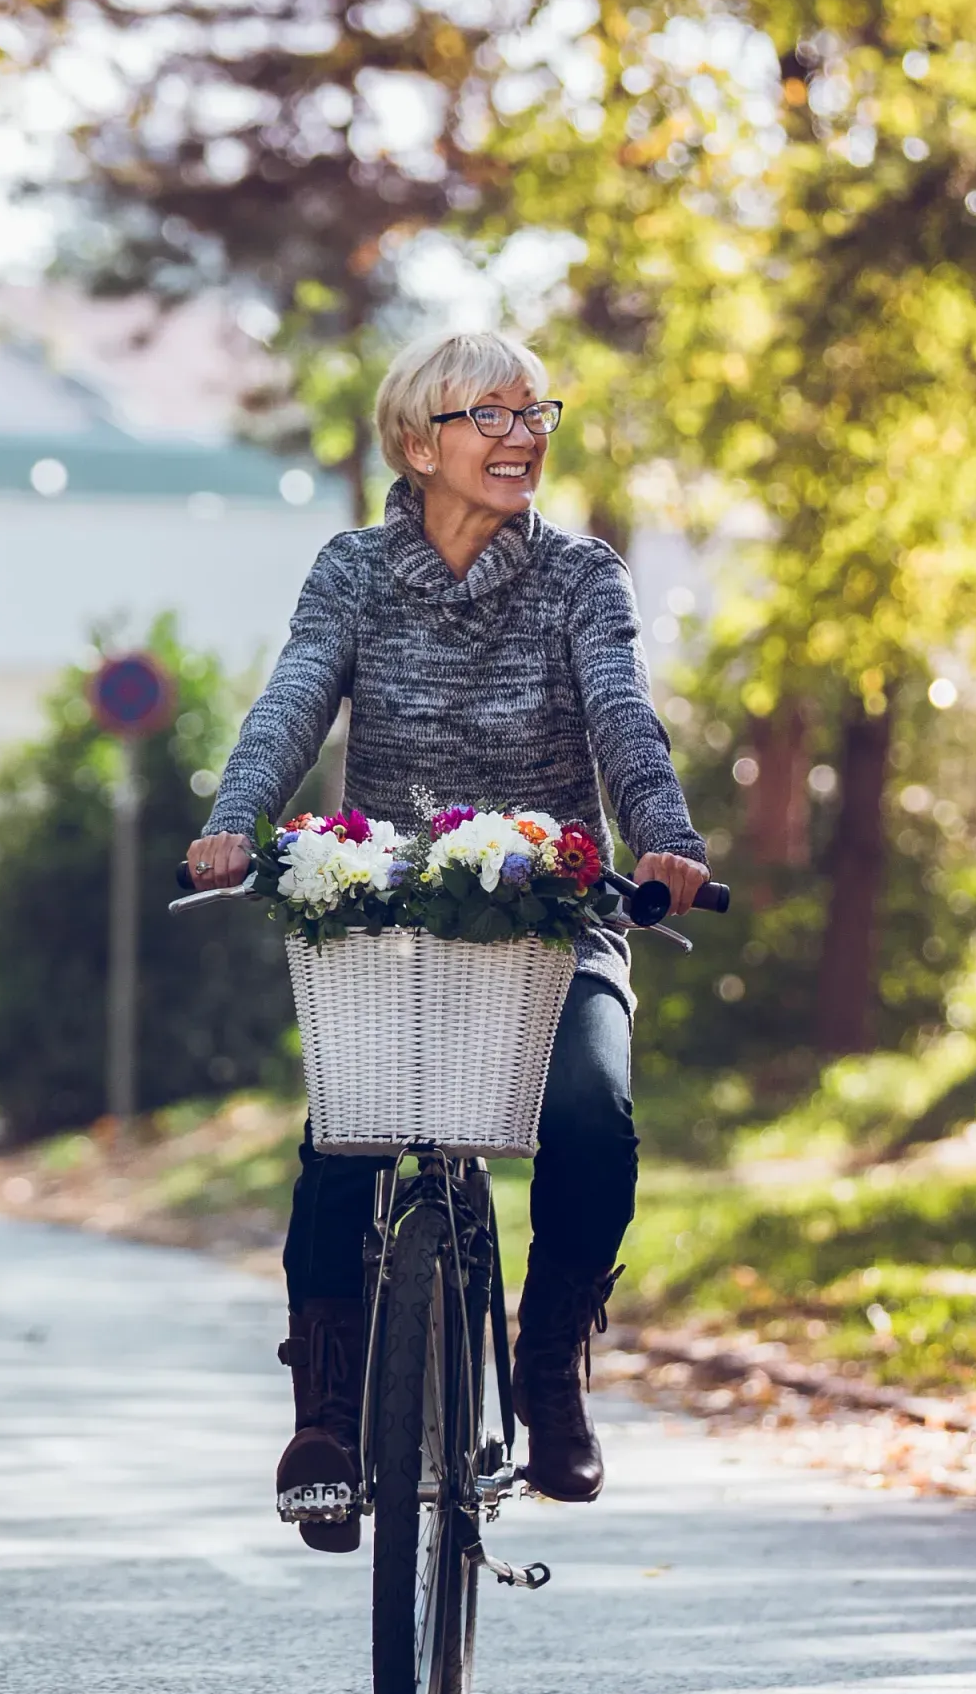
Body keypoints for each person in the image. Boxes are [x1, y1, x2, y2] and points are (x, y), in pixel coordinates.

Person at [187, 328, 709, 1546]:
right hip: (392, 913)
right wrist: (232, 821)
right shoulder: (355, 572)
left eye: (537, 414)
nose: (525, 435)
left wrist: (665, 838)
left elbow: (623, 716)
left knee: (593, 1113)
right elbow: (294, 695)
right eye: (495, 415)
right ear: (419, 443)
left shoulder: (581, 578)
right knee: (350, 1131)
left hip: (552, 909)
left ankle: (548, 1366)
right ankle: (323, 1411)